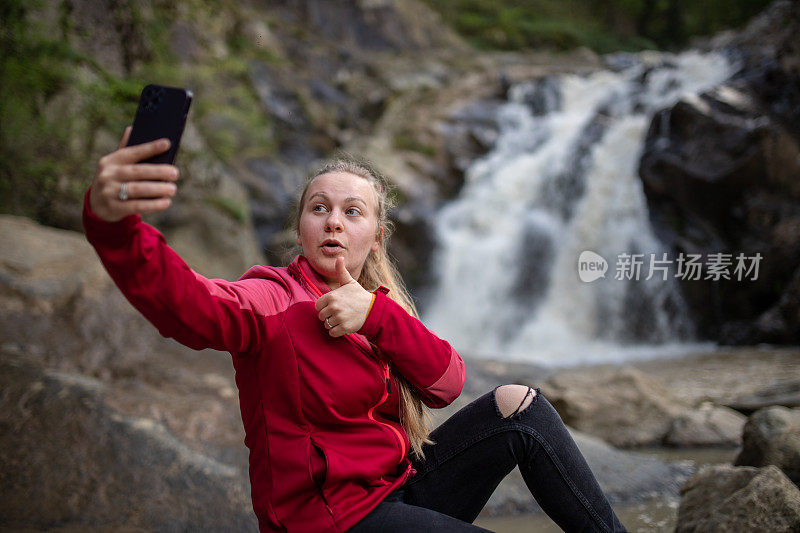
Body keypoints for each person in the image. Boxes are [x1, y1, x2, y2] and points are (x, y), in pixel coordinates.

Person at [83, 127, 627, 533]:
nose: (334, 221)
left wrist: (377, 317)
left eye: (352, 211)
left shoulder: (378, 307)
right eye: (319, 209)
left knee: (519, 405)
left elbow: (446, 383)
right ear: (301, 228)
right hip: (334, 522)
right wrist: (115, 229)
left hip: (398, 493)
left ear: (377, 234)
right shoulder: (274, 300)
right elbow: (193, 306)